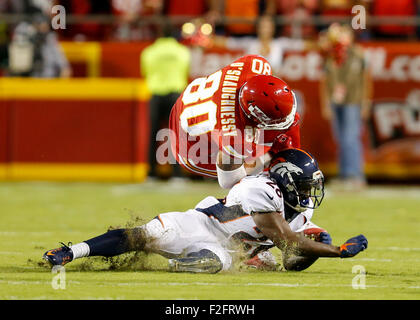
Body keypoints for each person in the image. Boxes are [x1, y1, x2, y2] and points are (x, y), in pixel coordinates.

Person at [43, 148, 368, 273]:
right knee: (141, 235)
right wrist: (334, 250)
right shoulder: (262, 189)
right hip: (198, 224)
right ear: (285, 181)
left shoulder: (299, 208)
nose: (310, 193)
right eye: (305, 185)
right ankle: (73, 251)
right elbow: (288, 241)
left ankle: (175, 265)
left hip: (224, 249)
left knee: (211, 262)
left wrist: (316, 250)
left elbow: (292, 261)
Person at [169, 54, 301, 189]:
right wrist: (268, 156)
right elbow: (229, 182)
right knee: (252, 183)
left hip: (193, 102)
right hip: (188, 146)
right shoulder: (234, 138)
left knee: (283, 130)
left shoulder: (255, 64)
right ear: (254, 117)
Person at [319, 23, 372, 189]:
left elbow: (366, 79)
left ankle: (355, 175)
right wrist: (326, 102)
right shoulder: (331, 55)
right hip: (336, 101)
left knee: (351, 138)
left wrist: (366, 101)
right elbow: (324, 81)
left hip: (354, 100)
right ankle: (344, 174)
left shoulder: (358, 54)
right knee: (341, 139)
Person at [141, 23, 191, 179]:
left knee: (153, 134)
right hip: (174, 95)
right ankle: (177, 174)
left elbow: (145, 71)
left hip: (156, 94)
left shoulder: (149, 52)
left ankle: (151, 173)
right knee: (175, 135)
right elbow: (185, 70)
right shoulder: (182, 51)